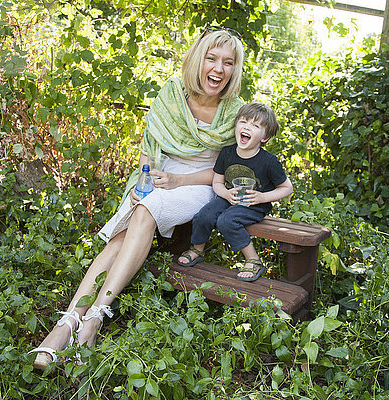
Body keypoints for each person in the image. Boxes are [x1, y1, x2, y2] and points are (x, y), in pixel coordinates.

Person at [29, 28, 245, 370]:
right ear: (198, 59)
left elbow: (223, 172)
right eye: (211, 58)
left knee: (145, 210)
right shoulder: (173, 93)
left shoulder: (235, 112)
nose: (218, 68)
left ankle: (87, 320)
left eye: (228, 62)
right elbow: (150, 148)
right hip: (159, 172)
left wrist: (176, 180)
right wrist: (144, 180)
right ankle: (72, 323)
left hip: (199, 182)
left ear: (235, 69)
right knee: (125, 230)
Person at [176, 103, 293, 281]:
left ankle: (253, 260)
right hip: (229, 197)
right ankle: (197, 250)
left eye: (255, 126)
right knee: (204, 215)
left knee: (227, 220)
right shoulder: (227, 153)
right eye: (243, 121)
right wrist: (225, 194)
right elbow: (217, 181)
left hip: (254, 203)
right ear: (236, 126)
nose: (247, 127)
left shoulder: (269, 161)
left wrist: (262, 197)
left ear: (265, 137)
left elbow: (287, 188)